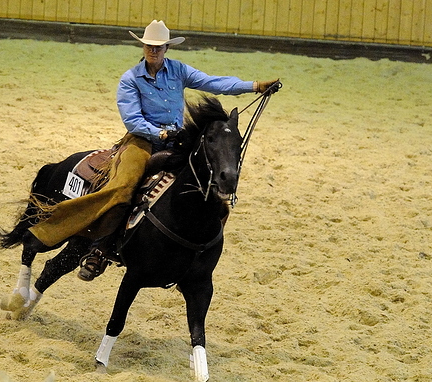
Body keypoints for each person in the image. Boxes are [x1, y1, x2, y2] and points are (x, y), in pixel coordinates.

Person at [29, 20, 279, 281]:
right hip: (141, 142)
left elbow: (213, 83)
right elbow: (132, 119)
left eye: (159, 47)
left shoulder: (179, 70)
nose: (154, 51)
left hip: (176, 141)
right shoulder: (130, 79)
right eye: (150, 46)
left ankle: (195, 254)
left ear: (166, 49)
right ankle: (100, 246)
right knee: (125, 186)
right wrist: (159, 133)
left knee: (209, 190)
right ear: (144, 47)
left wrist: (254, 86)